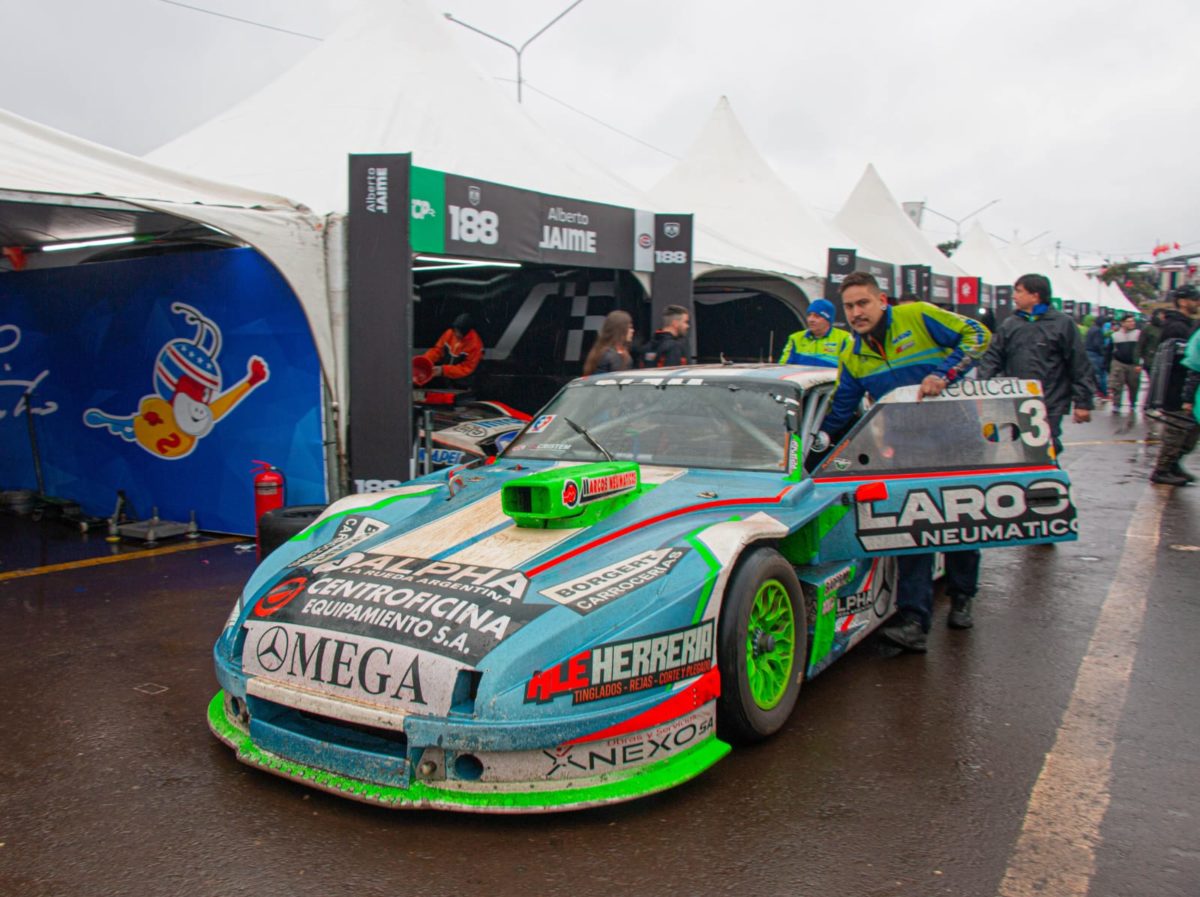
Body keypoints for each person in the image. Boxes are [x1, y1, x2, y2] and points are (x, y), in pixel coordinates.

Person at [814, 271, 991, 653]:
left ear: (882, 301)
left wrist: (945, 373)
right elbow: (841, 409)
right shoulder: (852, 354)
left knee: (960, 523)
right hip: (906, 450)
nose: (857, 312)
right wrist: (816, 446)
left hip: (956, 438)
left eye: (863, 303)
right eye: (849, 306)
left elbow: (979, 334)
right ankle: (914, 621)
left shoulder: (920, 316)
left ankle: (962, 596)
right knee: (913, 530)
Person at [977, 273, 1094, 454]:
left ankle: (1050, 476)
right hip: (1018, 399)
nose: (1014, 297)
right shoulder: (1010, 324)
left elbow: (1079, 364)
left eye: (1019, 292)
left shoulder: (1063, 324)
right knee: (1022, 447)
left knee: (1047, 445)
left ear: (1035, 295)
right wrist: (980, 387)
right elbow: (993, 357)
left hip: (1051, 400)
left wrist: (1083, 402)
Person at [1149, 284, 1200, 485]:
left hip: (1187, 387)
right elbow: (1177, 361)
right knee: (1176, 431)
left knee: (1189, 433)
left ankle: (1174, 464)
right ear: (1183, 301)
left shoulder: (1187, 324)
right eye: (1194, 299)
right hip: (1176, 387)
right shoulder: (1176, 327)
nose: (1197, 303)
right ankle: (1162, 468)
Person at [778, 299, 852, 367]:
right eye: (809, 315)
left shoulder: (844, 339)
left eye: (817, 316)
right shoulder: (795, 338)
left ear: (828, 320)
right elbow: (783, 368)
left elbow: (851, 369)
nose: (811, 319)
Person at [420, 312, 483, 389]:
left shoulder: (475, 344)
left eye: (459, 332)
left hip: (464, 384)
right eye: (455, 330)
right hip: (446, 380)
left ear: (466, 331)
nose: (456, 334)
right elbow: (437, 351)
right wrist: (425, 361)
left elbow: (467, 368)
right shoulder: (449, 333)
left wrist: (443, 370)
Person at [583, 310, 635, 375]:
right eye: (629, 327)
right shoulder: (607, 355)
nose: (632, 331)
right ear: (620, 329)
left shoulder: (618, 352)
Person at [1108, 316, 1141, 412]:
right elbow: (1109, 350)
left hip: (1133, 364)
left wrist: (1139, 363)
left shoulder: (1138, 334)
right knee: (1117, 384)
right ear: (1123, 323)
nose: (1132, 323)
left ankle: (1133, 403)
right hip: (1119, 362)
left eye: (1133, 321)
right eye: (1129, 321)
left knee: (1134, 385)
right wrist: (1108, 364)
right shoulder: (1115, 335)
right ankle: (1116, 404)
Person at [1085, 315, 1109, 400]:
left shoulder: (1091, 329)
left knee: (1091, 375)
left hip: (1088, 353)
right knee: (1101, 375)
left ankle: (1094, 392)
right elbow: (1097, 344)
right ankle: (1103, 392)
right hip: (1095, 355)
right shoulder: (1098, 330)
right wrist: (1103, 352)